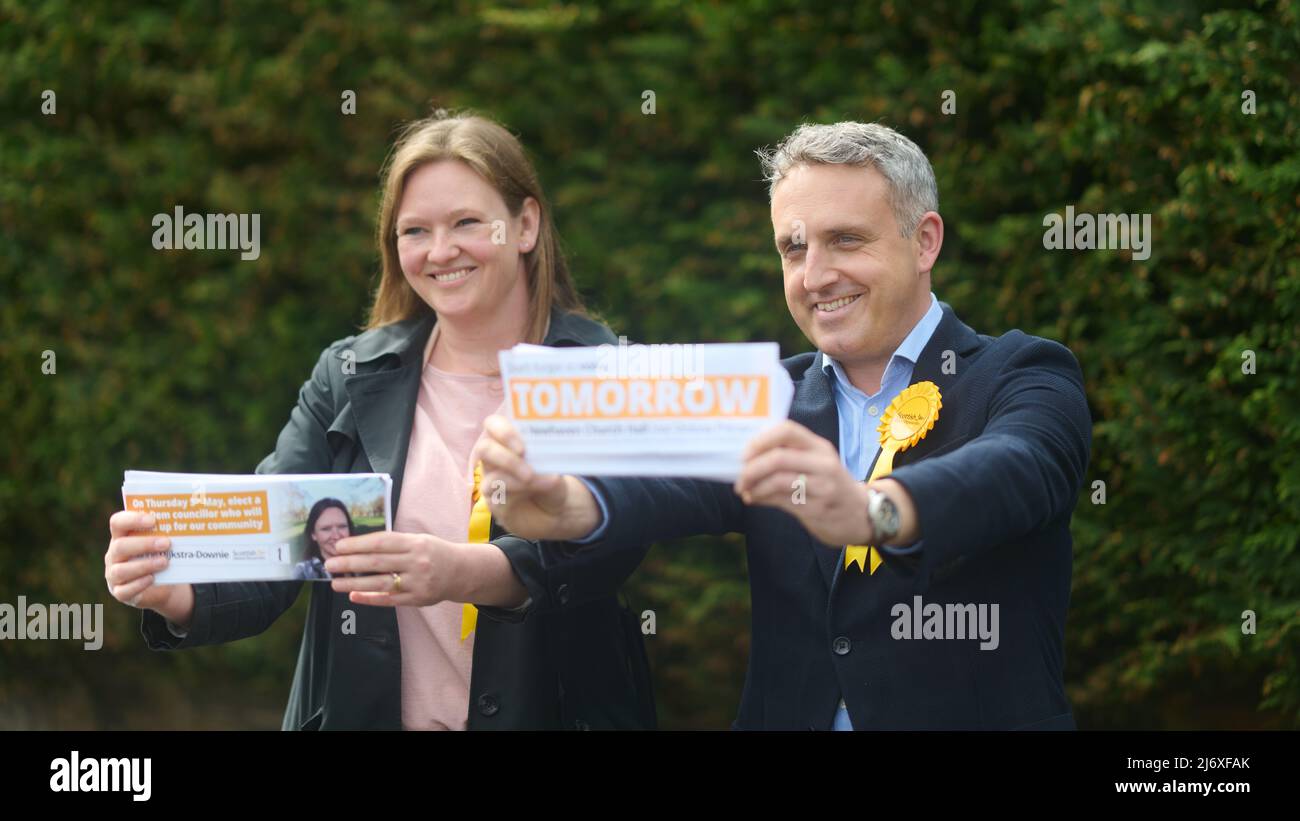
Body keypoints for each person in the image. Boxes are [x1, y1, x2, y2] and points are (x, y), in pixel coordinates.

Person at [475, 121, 1092, 730]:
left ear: (925, 241)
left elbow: (1017, 469)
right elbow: (669, 483)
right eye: (794, 249)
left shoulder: (1024, 370)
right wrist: (565, 503)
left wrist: (875, 512)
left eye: (846, 240)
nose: (815, 275)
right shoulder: (773, 395)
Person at [104, 110, 654, 730]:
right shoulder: (345, 374)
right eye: (415, 230)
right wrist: (172, 593)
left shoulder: (603, 372)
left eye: (467, 223)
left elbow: (612, 545)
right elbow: (276, 548)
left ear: (525, 225)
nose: (440, 251)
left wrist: (458, 572)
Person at [291, 499, 353, 581]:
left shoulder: (364, 565)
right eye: (326, 529)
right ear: (313, 534)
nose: (336, 536)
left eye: (342, 526)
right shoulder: (303, 573)